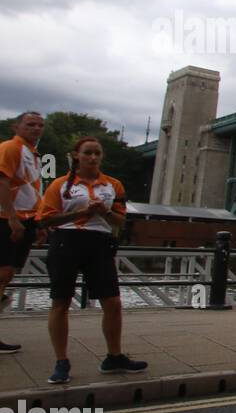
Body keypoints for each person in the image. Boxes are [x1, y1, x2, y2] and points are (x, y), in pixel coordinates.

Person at [38, 137, 148, 383]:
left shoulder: (113, 185)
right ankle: (61, 362)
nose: (93, 157)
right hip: (66, 242)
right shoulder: (59, 185)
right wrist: (82, 212)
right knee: (61, 303)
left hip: (99, 243)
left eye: (97, 153)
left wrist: (104, 211)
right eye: (88, 153)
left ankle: (114, 357)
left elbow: (120, 221)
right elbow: (46, 220)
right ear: (76, 155)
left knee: (113, 302)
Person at [0, 111, 45, 354]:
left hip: (26, 219)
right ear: (15, 126)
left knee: (8, 274)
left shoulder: (33, 154)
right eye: (30, 124)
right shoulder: (10, 148)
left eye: (40, 125)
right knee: (3, 271)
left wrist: (37, 223)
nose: (36, 129)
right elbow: (2, 182)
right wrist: (12, 218)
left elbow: (31, 191)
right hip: (8, 219)